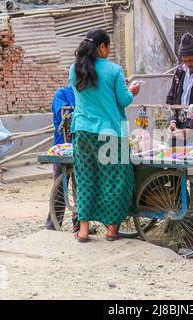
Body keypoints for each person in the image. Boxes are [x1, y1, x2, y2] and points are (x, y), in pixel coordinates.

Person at [69, 29, 140, 242]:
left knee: (86, 178)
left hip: (82, 131)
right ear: (102, 47)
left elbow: (87, 95)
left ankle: (83, 230)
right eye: (108, 47)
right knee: (115, 180)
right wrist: (132, 90)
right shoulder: (114, 70)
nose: (108, 51)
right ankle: (111, 230)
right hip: (110, 133)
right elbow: (124, 100)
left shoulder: (74, 69)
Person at [44, 85, 75, 231]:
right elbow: (64, 115)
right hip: (62, 148)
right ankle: (52, 225)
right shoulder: (61, 94)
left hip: (80, 147)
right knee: (60, 187)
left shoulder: (86, 93)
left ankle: (80, 223)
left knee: (80, 188)